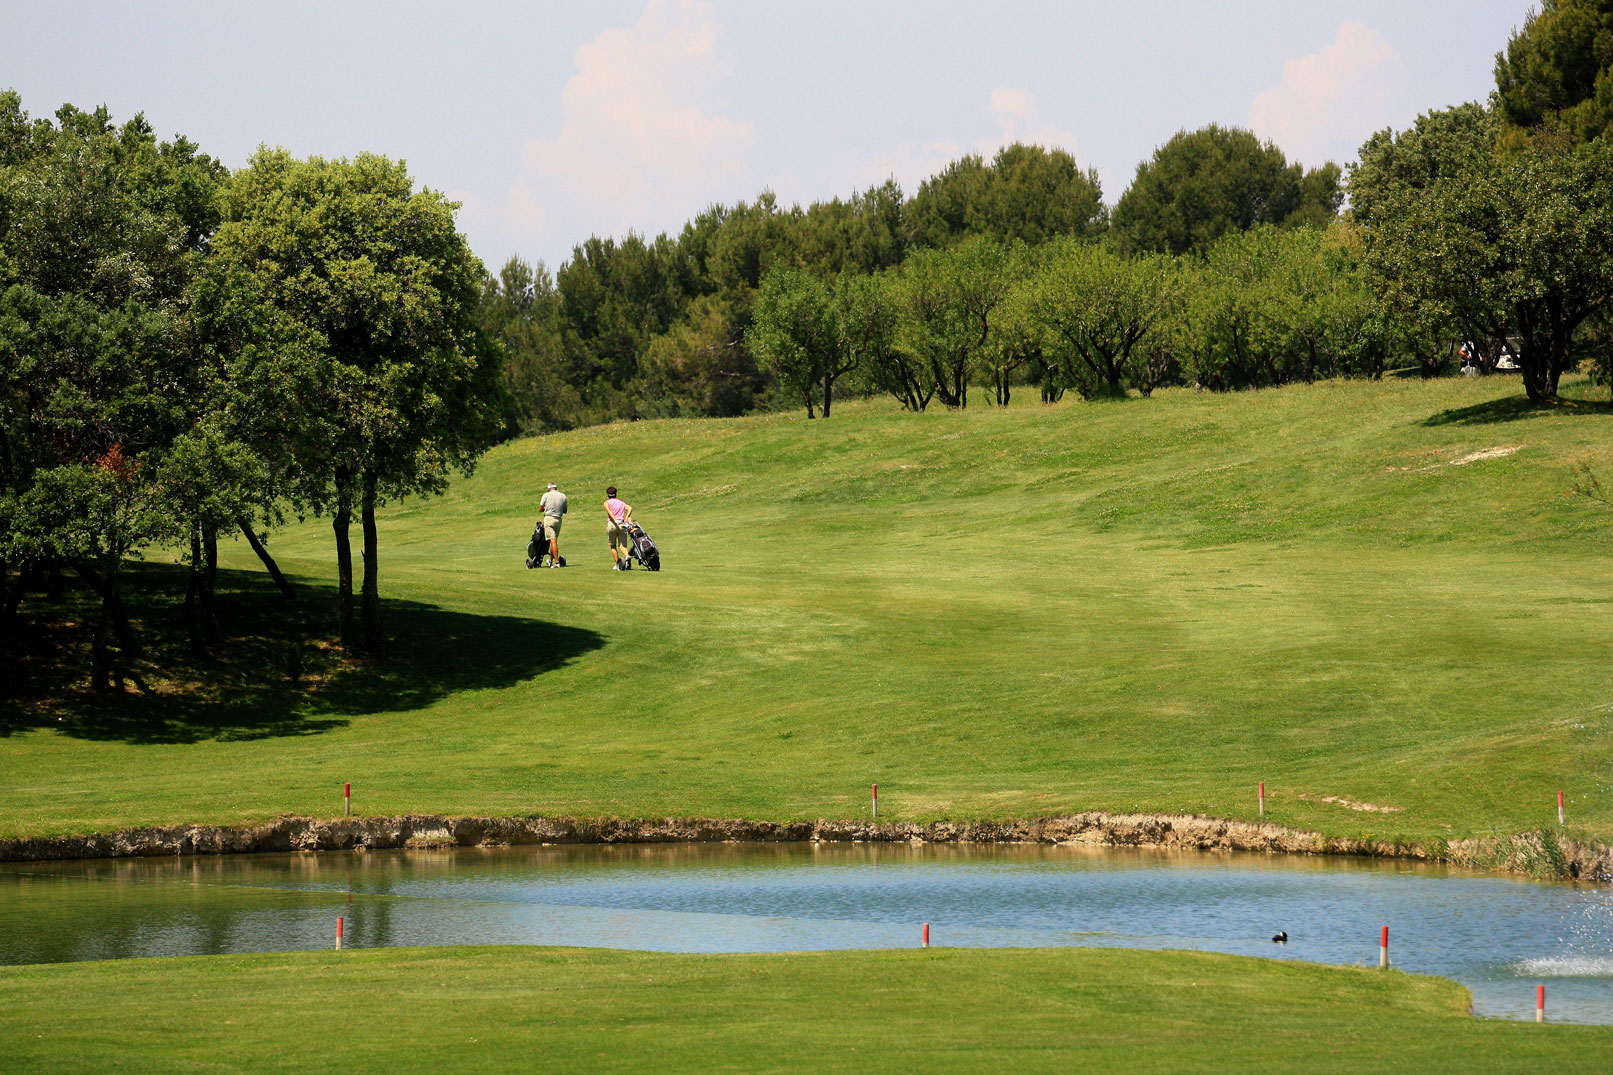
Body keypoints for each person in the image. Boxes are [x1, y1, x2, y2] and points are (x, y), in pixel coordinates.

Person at [538, 481, 568, 568]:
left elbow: (540, 508)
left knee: (553, 541)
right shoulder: (563, 496)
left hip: (549, 519)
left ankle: (557, 562)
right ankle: (550, 560)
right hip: (558, 520)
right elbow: (565, 510)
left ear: (549, 488)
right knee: (553, 540)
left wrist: (546, 508)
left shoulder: (546, 495)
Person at [604, 486, 634, 570]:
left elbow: (609, 512)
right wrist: (626, 517)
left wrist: (614, 519)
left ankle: (618, 564)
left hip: (612, 524)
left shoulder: (606, 503)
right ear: (616, 494)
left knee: (613, 546)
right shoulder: (621, 503)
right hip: (622, 524)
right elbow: (630, 508)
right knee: (622, 546)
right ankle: (627, 556)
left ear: (608, 495)